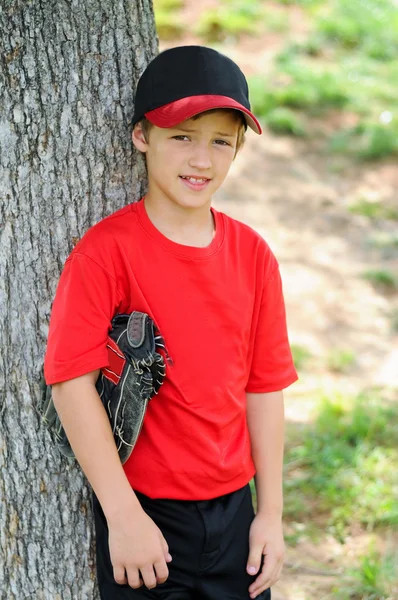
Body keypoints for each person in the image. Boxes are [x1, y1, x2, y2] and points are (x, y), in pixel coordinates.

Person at [44, 45, 298, 600]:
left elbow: (265, 387)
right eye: (182, 135)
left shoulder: (253, 256)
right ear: (143, 136)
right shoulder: (106, 253)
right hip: (145, 518)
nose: (201, 160)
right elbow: (69, 384)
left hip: (236, 516)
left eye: (220, 142)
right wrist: (123, 515)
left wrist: (271, 515)